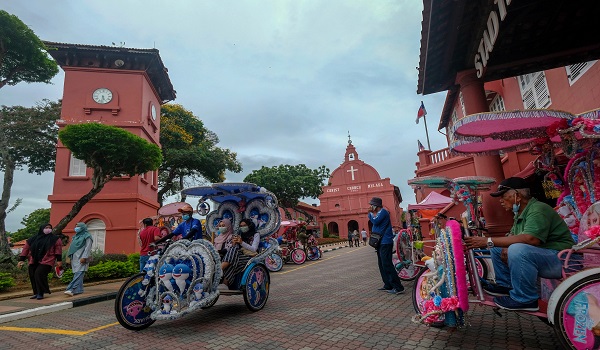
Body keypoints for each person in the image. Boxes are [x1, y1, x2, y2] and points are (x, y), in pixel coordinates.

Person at [464, 177, 575, 311]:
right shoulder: (522, 213)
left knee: (517, 249)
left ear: (517, 195)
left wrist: (488, 241)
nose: (501, 201)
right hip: (544, 256)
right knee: (496, 248)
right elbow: (512, 235)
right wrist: (500, 244)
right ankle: (506, 286)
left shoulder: (538, 209)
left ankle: (525, 299)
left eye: (504, 196)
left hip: (562, 260)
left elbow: (531, 239)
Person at [368, 197, 404, 295]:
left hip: (385, 241)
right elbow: (372, 218)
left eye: (372, 205)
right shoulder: (375, 214)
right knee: (381, 264)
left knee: (387, 264)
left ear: (376, 205)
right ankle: (387, 284)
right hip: (380, 242)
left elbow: (375, 221)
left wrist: (371, 214)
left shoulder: (383, 212)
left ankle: (398, 287)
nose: (370, 207)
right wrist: (371, 214)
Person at [17, 223, 63, 300]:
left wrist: (59, 260)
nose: (48, 229)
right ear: (42, 229)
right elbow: (26, 249)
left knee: (39, 274)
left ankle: (41, 292)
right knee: (32, 275)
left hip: (47, 260)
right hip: (33, 260)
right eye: (46, 227)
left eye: (49, 227)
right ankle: (36, 292)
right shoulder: (33, 239)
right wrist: (21, 260)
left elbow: (58, 250)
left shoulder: (55, 239)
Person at [214, 219, 250, 288]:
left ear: (228, 226)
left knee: (233, 249)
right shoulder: (217, 239)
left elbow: (233, 248)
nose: (221, 228)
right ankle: (224, 283)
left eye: (223, 226)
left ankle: (220, 270)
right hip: (224, 259)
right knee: (233, 261)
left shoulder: (233, 237)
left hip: (234, 256)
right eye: (220, 226)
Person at [64, 222, 93, 297]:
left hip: (82, 258)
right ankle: (79, 289)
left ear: (83, 227)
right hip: (74, 258)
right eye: (76, 226)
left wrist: (84, 257)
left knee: (79, 273)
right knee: (78, 273)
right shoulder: (75, 237)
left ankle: (71, 289)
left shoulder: (87, 236)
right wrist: (68, 257)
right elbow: (71, 248)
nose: (76, 227)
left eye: (78, 226)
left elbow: (88, 248)